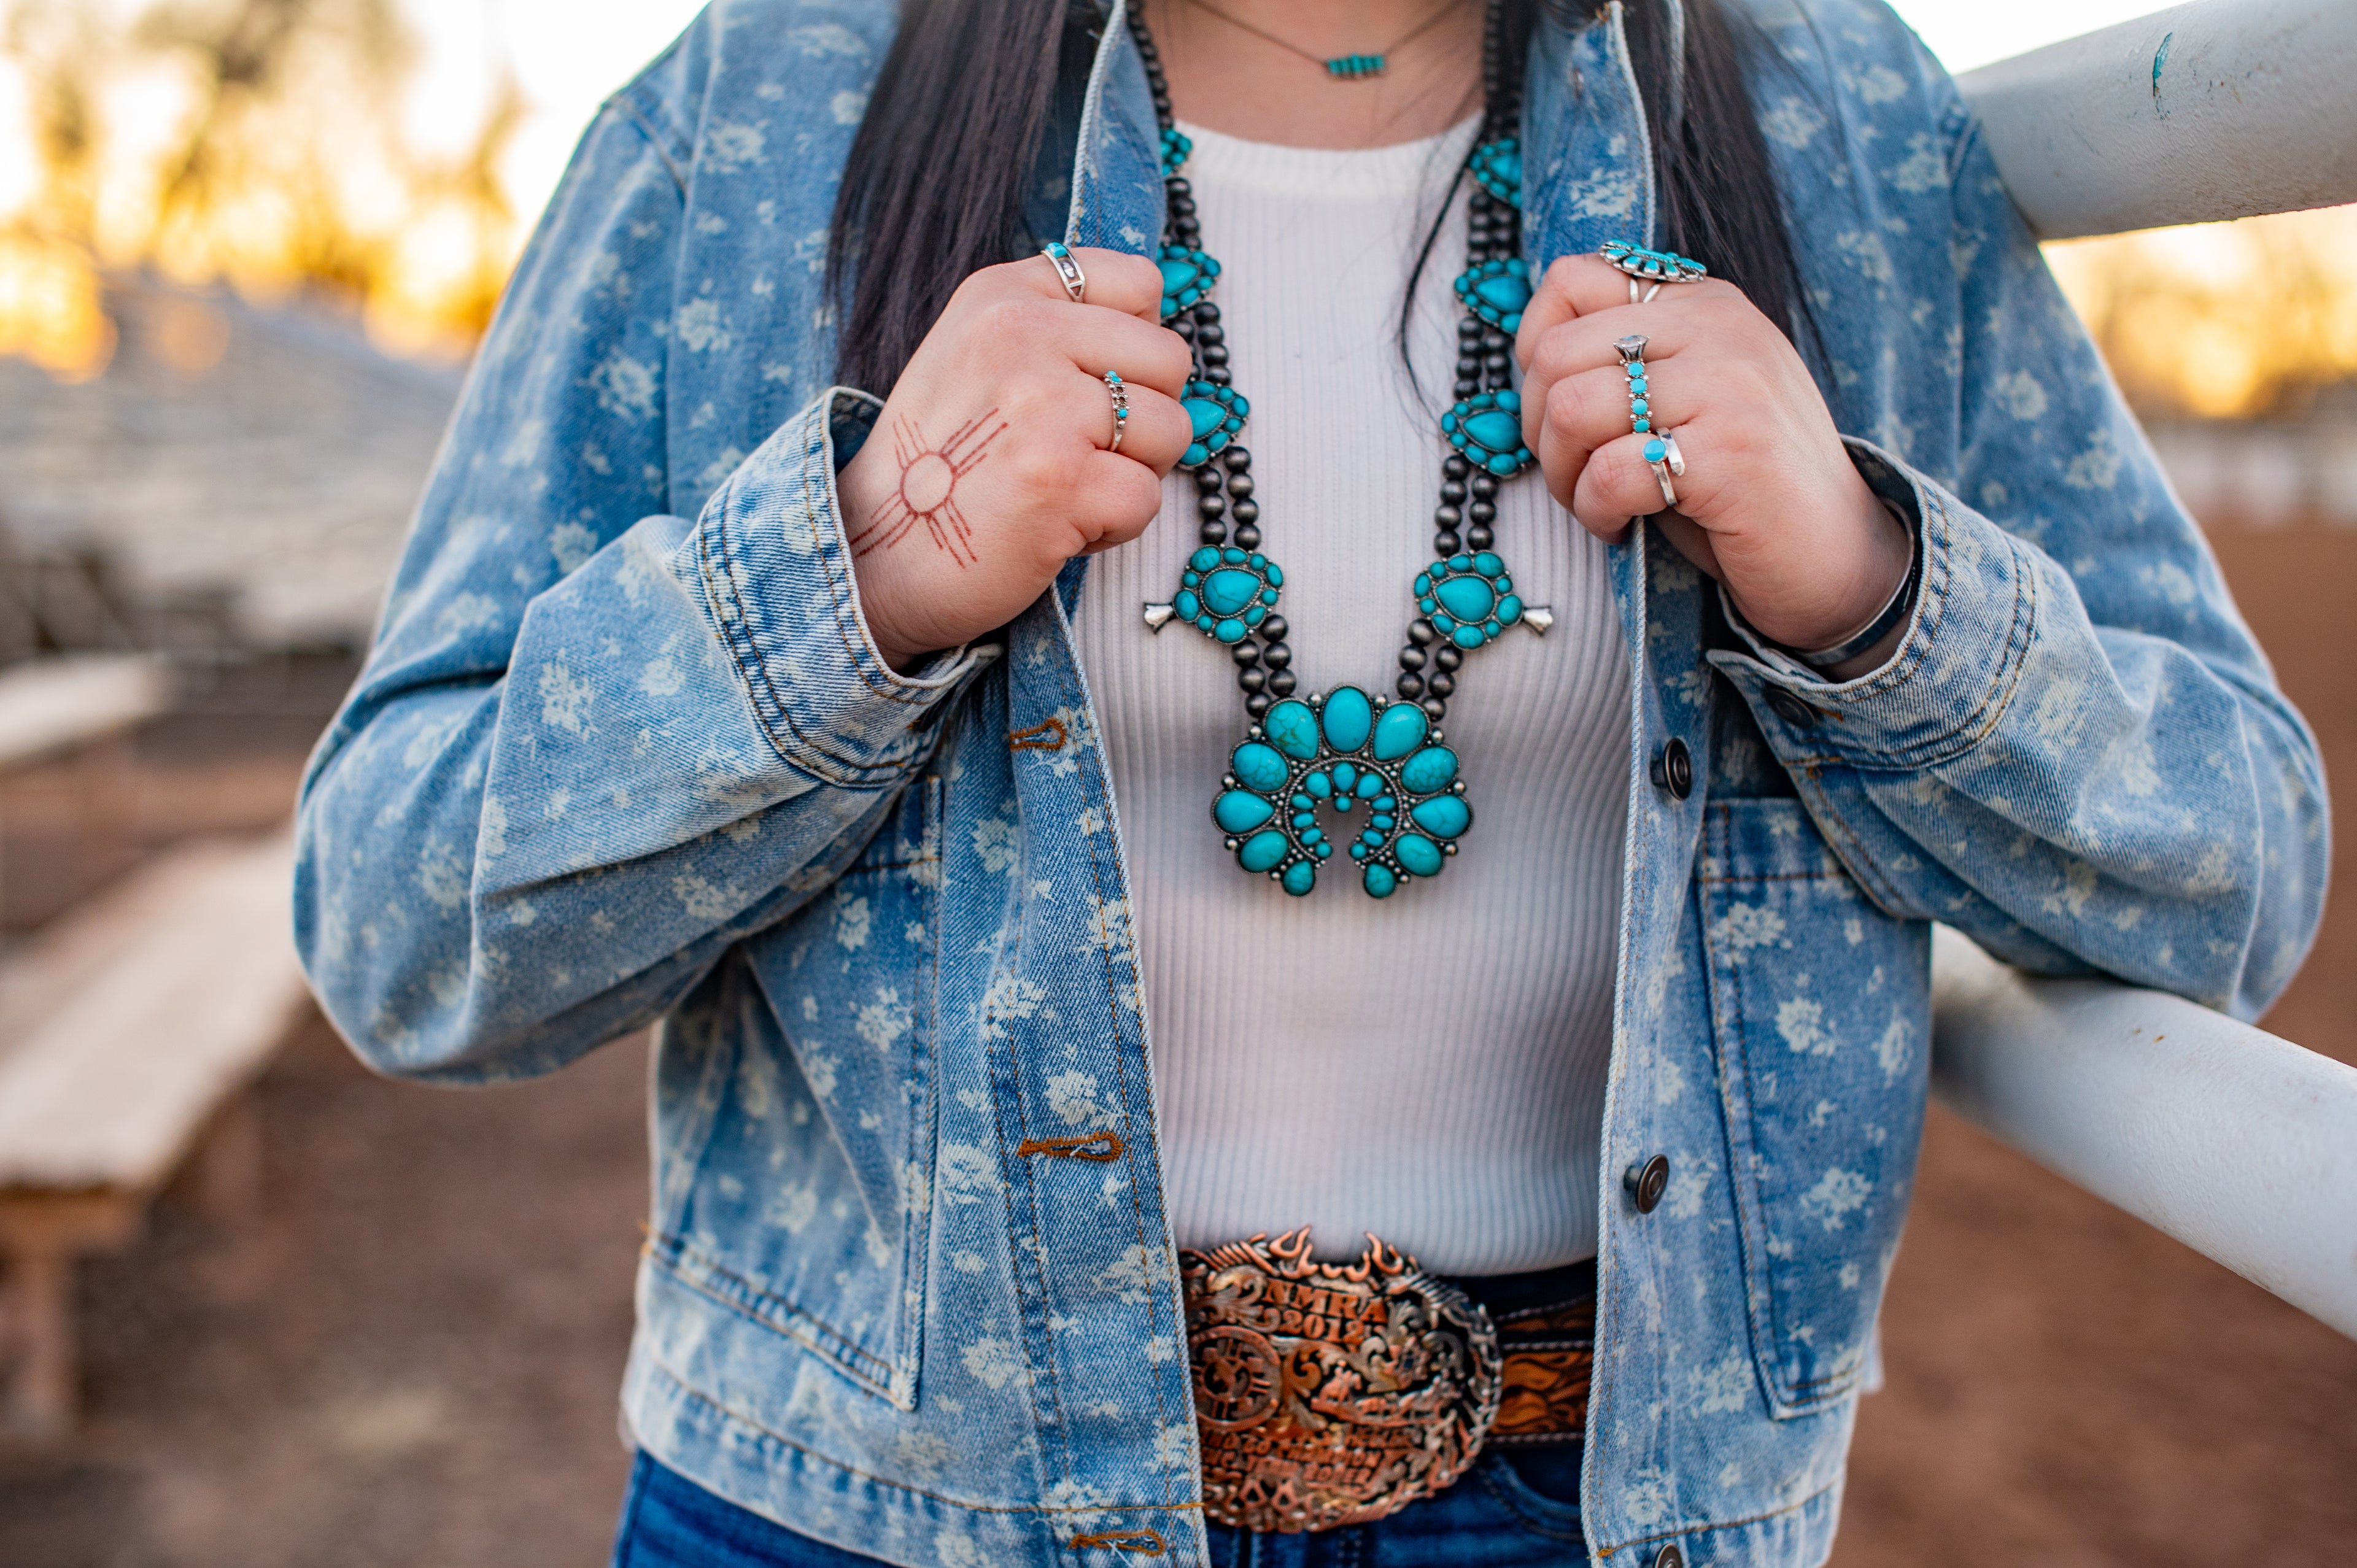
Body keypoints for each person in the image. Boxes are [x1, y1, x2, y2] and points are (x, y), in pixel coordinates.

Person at [292, 0, 2327, 1563]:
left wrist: (1875, 585)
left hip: (1597, 1511)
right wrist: (859, 572)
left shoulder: (1840, 130)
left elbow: (2233, 869)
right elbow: (396, 919)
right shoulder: (754, 119)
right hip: (862, 1512)